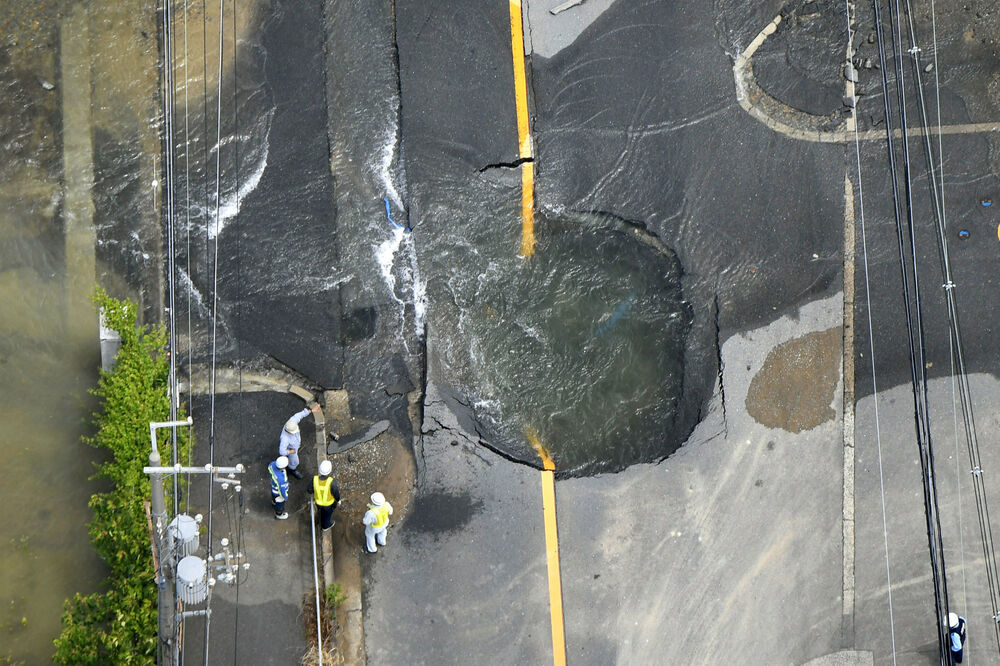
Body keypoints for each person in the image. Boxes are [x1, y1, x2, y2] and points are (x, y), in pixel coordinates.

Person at [279, 403, 322, 479]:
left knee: (292, 459)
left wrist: (311, 410)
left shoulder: (291, 423)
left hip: (295, 446)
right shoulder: (285, 439)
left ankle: (288, 465)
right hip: (292, 449)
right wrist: (290, 452)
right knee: (295, 462)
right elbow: (281, 451)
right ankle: (292, 469)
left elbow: (299, 415)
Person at [307, 459, 340, 531]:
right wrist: (338, 500)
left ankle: (321, 515)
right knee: (327, 516)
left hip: (318, 503)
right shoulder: (332, 482)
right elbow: (336, 494)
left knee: (321, 512)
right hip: (328, 505)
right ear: (330, 470)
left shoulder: (314, 479)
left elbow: (309, 490)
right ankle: (325, 526)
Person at [268, 456, 290, 520]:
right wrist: (285, 496)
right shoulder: (281, 479)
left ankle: (273, 502)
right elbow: (282, 490)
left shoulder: (272, 464)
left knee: (274, 497)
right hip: (278, 493)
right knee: (280, 504)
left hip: (273, 487)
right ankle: (279, 515)